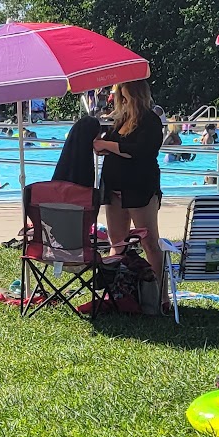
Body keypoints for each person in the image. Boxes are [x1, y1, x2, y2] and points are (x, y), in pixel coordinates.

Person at [93, 79, 164, 290]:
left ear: (135, 96)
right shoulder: (121, 120)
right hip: (114, 188)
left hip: (139, 188)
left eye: (124, 97)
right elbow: (108, 147)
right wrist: (100, 142)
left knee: (149, 242)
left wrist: (106, 144)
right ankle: (116, 292)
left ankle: (159, 294)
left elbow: (137, 150)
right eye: (119, 98)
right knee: (117, 242)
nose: (121, 102)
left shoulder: (150, 121)